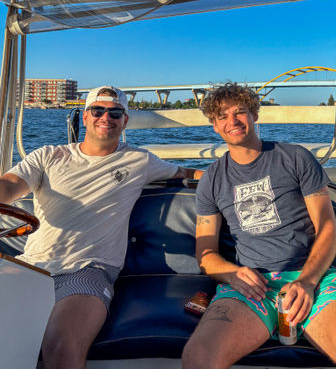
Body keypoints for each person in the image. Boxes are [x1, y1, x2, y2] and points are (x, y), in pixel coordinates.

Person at [0, 85, 203, 369]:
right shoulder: (47, 156)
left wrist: (235, 175)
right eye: (98, 110)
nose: (105, 117)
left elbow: (187, 172)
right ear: (85, 117)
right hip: (31, 265)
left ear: (125, 121)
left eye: (115, 112)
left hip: (89, 270)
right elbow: (10, 185)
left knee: (61, 346)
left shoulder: (139, 160)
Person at [182, 83, 336, 369]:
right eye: (222, 116)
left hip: (317, 275)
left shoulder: (295, 157)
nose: (233, 121)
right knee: (198, 359)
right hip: (253, 286)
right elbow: (205, 253)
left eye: (240, 112)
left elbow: (328, 225)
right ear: (214, 126)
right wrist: (232, 274)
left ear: (254, 114)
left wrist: (308, 280)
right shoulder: (212, 180)